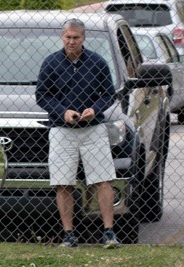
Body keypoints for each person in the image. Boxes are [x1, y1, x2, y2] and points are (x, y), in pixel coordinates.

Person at [35, 18, 120, 248]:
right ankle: (68, 234)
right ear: (62, 37)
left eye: (76, 37)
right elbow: (42, 95)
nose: (71, 41)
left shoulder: (97, 62)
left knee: (103, 180)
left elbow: (108, 94)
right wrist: (62, 112)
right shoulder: (51, 63)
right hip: (62, 130)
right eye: (68, 37)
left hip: (93, 130)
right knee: (63, 183)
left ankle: (109, 232)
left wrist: (95, 109)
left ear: (83, 38)